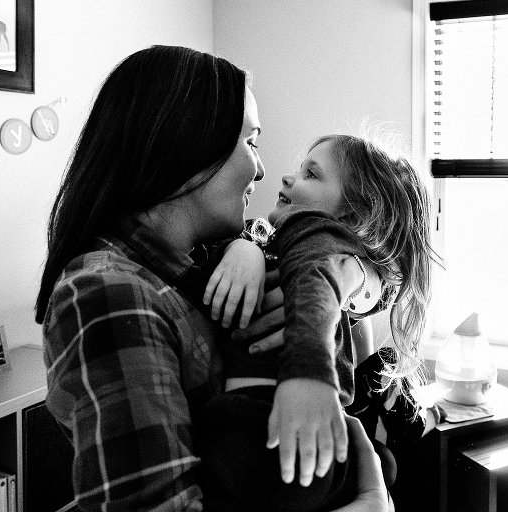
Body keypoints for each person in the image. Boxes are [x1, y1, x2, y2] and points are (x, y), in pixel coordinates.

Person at [35, 45, 388, 511]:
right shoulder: (109, 292)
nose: (262, 170)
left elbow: (368, 273)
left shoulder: (196, 266)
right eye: (252, 142)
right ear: (189, 145)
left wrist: (350, 279)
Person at [198, 134, 441, 511]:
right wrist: (242, 248)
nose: (287, 178)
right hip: (284, 435)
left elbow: (315, 282)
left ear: (350, 216)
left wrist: (308, 376)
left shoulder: (315, 234)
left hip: (267, 423)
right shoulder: (271, 239)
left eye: (311, 174)